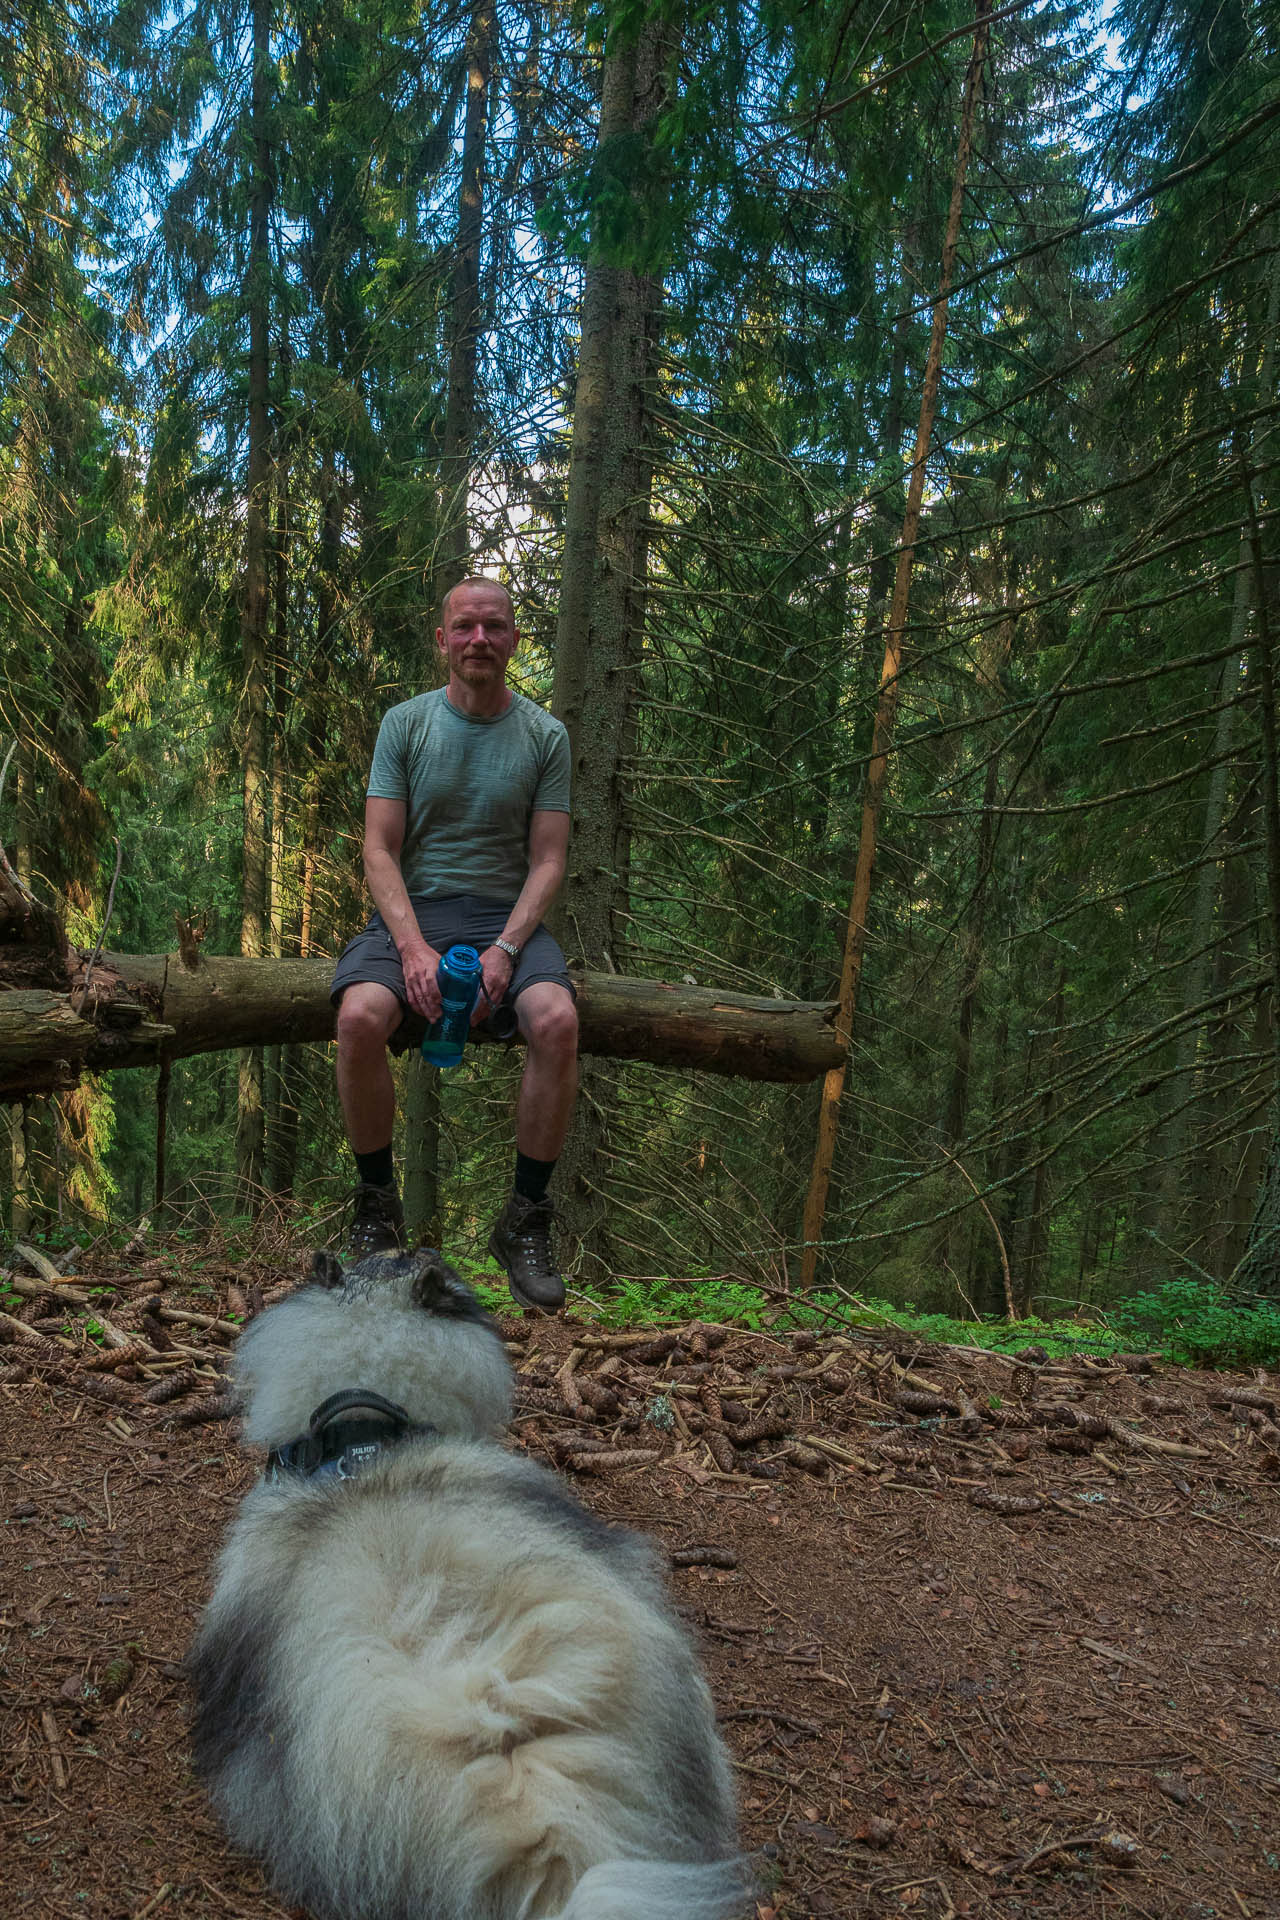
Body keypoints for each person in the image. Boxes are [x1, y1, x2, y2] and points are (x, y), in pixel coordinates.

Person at [329, 577, 578, 1311]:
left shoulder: (545, 736)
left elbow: (549, 860)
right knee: (356, 1018)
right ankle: (377, 1207)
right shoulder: (404, 725)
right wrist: (410, 949)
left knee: (557, 1022)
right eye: (464, 627)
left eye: (494, 627)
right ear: (441, 640)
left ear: (513, 640)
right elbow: (378, 849)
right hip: (415, 914)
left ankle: (525, 1220)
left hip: (509, 919)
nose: (479, 640)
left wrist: (505, 948)